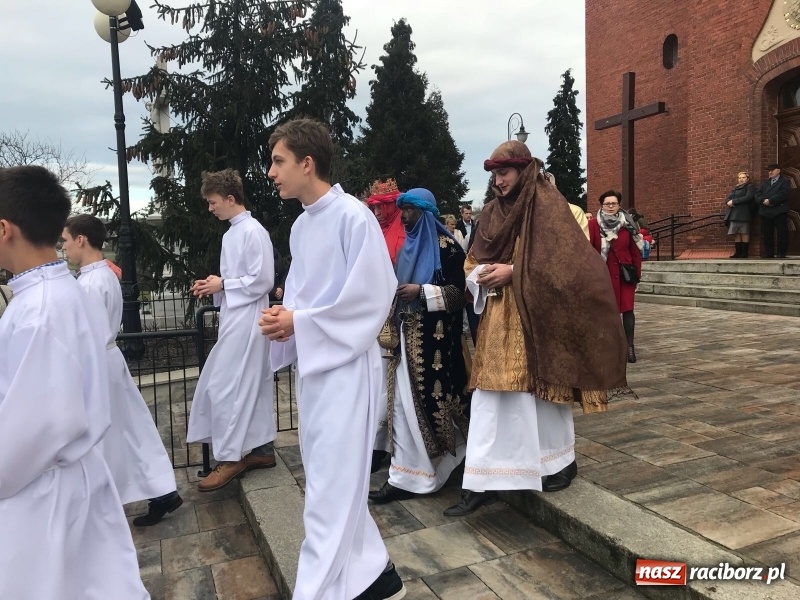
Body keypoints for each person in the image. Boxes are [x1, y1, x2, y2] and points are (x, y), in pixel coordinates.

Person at [259, 119, 405, 600]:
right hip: (317, 367)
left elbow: (371, 296)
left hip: (346, 365)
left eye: (278, 161)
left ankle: (317, 590)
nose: (271, 172)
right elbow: (304, 294)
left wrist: (301, 321)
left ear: (307, 162)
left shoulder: (352, 216)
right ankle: (376, 575)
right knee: (327, 475)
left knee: (331, 486)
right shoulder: (303, 225)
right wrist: (285, 316)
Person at [444, 142, 629, 517]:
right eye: (494, 175)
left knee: (543, 397)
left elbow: (572, 266)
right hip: (498, 320)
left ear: (523, 170)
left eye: (504, 173)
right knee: (490, 400)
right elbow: (471, 261)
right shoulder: (492, 213)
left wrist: (514, 272)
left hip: (541, 318)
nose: (498, 181)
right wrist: (480, 275)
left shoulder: (548, 208)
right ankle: (483, 479)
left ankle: (558, 463)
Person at [0, 165, 149, 599]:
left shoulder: (39, 311)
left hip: (42, 492)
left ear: (5, 229)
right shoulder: (58, 293)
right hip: (66, 478)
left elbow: (33, 429)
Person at [62, 214, 182, 526]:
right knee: (131, 429)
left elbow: (85, 333)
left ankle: (107, 500)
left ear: (81, 240)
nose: (63, 248)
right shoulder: (102, 275)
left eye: (64, 241)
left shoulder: (90, 282)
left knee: (110, 433)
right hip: (108, 358)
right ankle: (160, 490)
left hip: (98, 362)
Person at [369, 189, 469, 504]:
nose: (406, 216)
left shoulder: (449, 248)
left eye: (411, 210)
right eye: (403, 210)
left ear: (425, 213)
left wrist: (422, 291)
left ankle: (414, 475)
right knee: (400, 409)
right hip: (403, 343)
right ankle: (407, 473)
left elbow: (459, 293)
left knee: (416, 410)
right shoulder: (407, 248)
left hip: (433, 349)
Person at [187, 169, 277, 491]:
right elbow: (240, 280)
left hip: (251, 318)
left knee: (228, 385)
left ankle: (231, 456)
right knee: (244, 383)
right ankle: (261, 449)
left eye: (213, 202)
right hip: (235, 316)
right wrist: (216, 287)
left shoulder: (254, 232)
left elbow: (264, 279)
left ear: (229, 198)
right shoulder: (230, 234)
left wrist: (224, 284)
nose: (210, 209)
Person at [589, 190, 644, 363]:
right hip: (603, 275)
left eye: (614, 203)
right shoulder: (593, 225)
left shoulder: (628, 223)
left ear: (619, 205)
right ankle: (609, 347)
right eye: (607, 204)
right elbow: (589, 250)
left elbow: (635, 251)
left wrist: (637, 275)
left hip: (625, 275)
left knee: (628, 311)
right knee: (606, 312)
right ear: (601, 205)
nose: (611, 206)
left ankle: (629, 347)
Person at [366, 178, 405, 265]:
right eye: (373, 208)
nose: (376, 213)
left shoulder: (407, 229)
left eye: (380, 207)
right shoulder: (371, 229)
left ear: (392, 206)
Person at [757, 163, 791, 258]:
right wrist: (763, 200)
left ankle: (781, 252)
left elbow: (784, 194)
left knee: (782, 232)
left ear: (778, 170)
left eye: (772, 170)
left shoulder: (785, 181)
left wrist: (771, 200)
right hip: (766, 211)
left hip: (779, 210)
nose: (770, 172)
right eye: (769, 170)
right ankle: (769, 252)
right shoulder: (765, 183)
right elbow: (757, 194)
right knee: (767, 233)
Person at [724, 171, 755, 258]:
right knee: (736, 233)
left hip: (744, 213)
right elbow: (728, 198)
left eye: (743, 177)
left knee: (744, 232)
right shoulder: (736, 188)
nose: (741, 179)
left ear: (747, 179)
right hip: (734, 214)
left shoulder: (750, 186)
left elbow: (748, 197)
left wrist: (734, 201)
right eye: (739, 178)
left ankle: (744, 253)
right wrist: (728, 202)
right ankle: (738, 252)